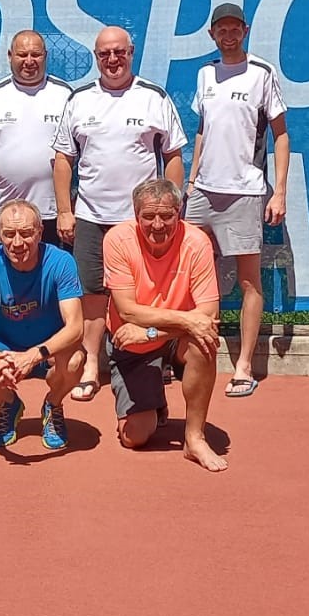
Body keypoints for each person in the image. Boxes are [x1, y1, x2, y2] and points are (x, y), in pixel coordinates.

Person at [51, 25, 186, 403]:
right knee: (92, 295)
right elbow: (63, 159)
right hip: (92, 216)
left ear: (132, 53)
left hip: (142, 223)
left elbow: (173, 156)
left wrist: (171, 207)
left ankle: (151, 362)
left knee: (146, 294)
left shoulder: (154, 97)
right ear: (96, 57)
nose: (113, 60)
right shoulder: (79, 100)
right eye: (104, 54)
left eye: (120, 52)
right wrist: (65, 209)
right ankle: (93, 364)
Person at [185, 3, 291, 398]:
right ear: (212, 34)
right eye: (221, 29)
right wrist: (192, 180)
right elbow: (201, 130)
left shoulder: (262, 73)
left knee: (249, 281)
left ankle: (244, 365)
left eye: (234, 28)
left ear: (244, 30)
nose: (228, 35)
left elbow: (281, 135)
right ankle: (190, 355)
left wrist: (278, 190)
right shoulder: (204, 73)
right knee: (189, 277)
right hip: (202, 195)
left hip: (246, 192)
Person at [101, 179, 227, 472]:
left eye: (167, 216)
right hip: (130, 340)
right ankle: (153, 404)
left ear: (178, 214)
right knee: (135, 437)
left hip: (167, 336)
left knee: (204, 341)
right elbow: (128, 311)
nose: (158, 225)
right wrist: (185, 320)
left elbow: (207, 314)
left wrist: (152, 331)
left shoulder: (197, 242)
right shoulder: (117, 240)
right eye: (148, 216)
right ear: (136, 215)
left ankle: (194, 438)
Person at [0, 200, 86, 451]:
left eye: (26, 233)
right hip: (5, 345)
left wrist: (34, 356)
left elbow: (75, 327)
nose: (17, 243)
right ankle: (8, 402)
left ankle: (54, 403)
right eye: (9, 234)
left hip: (49, 349)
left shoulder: (62, 262)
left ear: (39, 232)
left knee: (75, 361)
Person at [0, 30, 73, 247]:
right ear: (10, 56)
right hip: (5, 211)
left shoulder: (65, 94)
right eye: (22, 55)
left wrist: (67, 208)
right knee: (8, 278)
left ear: (45, 56)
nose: (29, 61)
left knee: (52, 277)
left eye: (35, 55)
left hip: (53, 212)